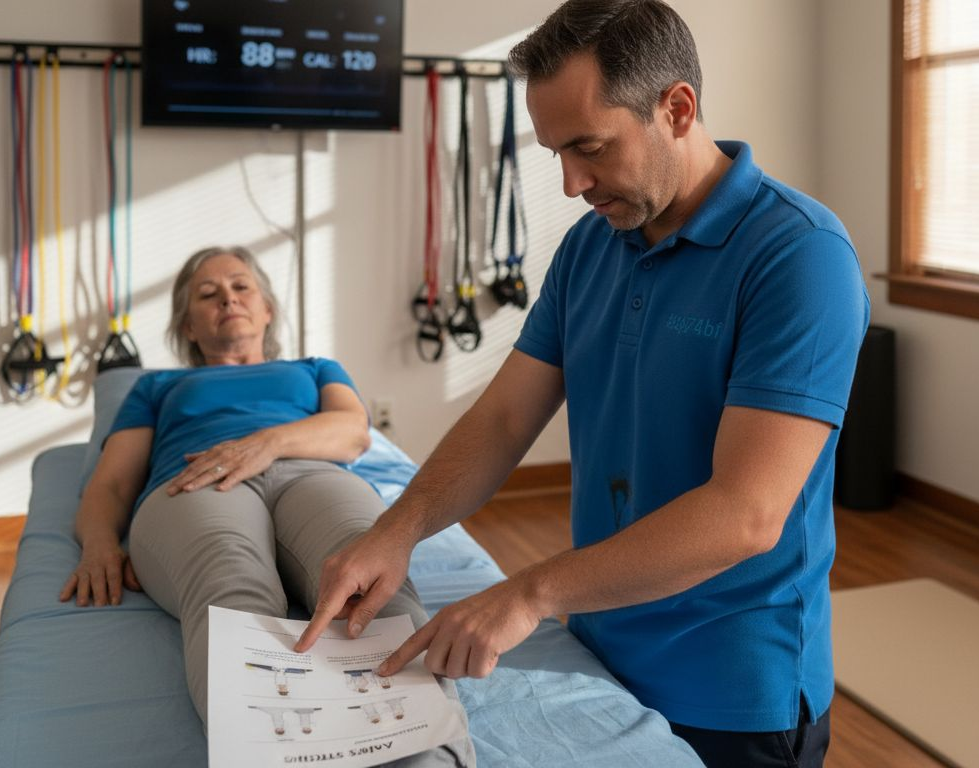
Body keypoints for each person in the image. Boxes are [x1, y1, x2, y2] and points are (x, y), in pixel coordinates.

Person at [298, 1, 869, 765]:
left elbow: (746, 514)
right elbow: (504, 419)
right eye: (555, 153)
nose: (572, 183)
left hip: (733, 688)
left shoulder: (798, 256)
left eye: (589, 148)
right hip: (599, 644)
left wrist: (528, 594)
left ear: (677, 108)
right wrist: (396, 532)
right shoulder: (592, 247)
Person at [59, 246, 474, 768]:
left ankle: (429, 758)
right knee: (232, 586)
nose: (227, 298)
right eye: (208, 295)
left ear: (267, 309)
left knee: (369, 580)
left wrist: (268, 443)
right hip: (196, 482)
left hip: (311, 471)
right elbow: (112, 483)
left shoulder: (315, 368)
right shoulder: (158, 386)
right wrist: (99, 542)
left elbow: (352, 433)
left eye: (241, 286)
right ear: (188, 326)